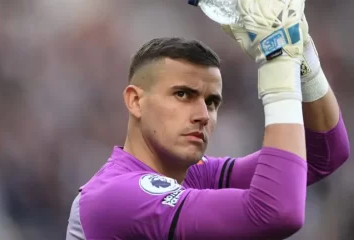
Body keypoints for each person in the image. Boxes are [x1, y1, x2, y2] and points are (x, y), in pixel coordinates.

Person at [66, 0, 350, 239]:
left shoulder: (194, 175)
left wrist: (301, 50)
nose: (203, 115)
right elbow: (277, 212)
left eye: (212, 102)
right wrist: (278, 62)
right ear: (136, 101)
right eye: (182, 95)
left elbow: (323, 153)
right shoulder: (116, 197)